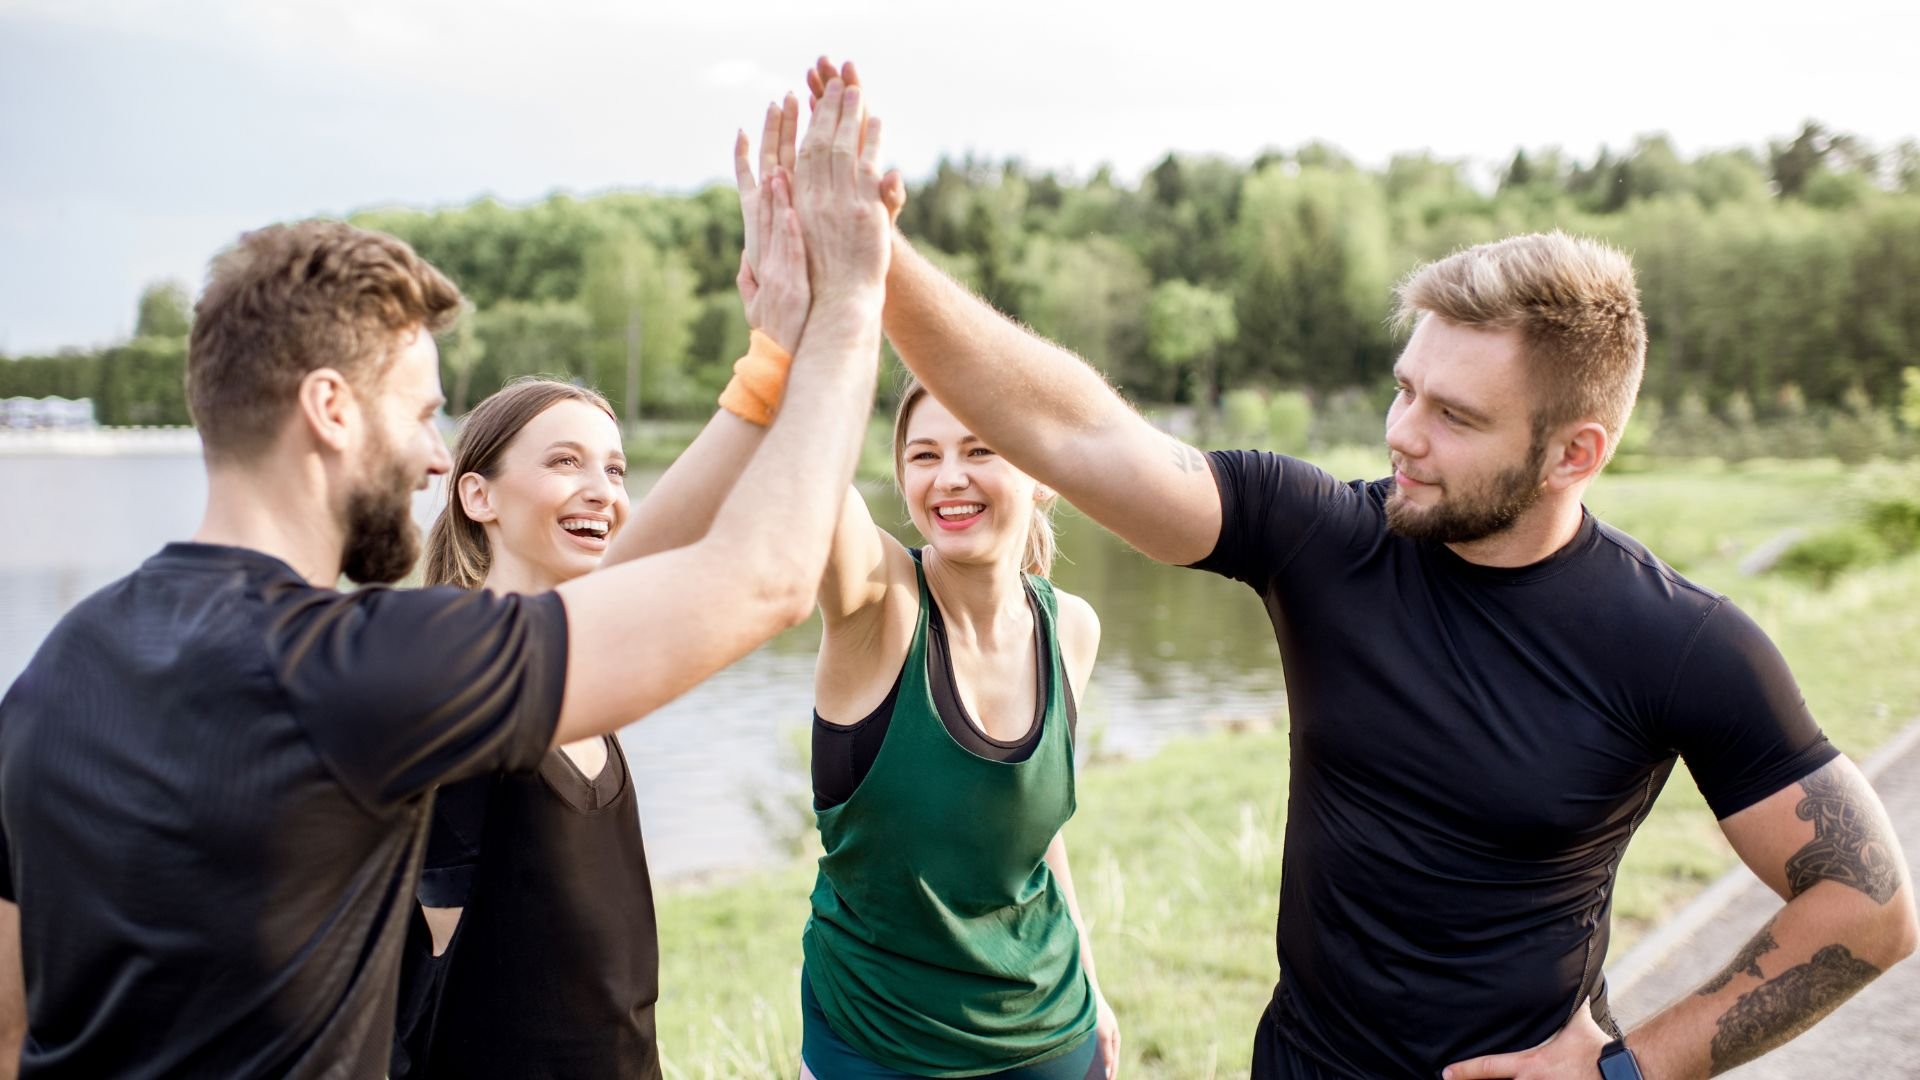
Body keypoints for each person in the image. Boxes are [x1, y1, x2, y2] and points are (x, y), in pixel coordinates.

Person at [807, 56, 1916, 1080]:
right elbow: (1084, 434)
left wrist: (1628, 1067)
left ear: (1574, 452)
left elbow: (1867, 909)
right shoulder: (1322, 536)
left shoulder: (1681, 644)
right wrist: (876, 261)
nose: (1402, 434)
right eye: (1405, 387)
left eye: (1455, 415)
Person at [0, 77, 890, 1078]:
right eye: (420, 414)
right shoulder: (354, 670)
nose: (434, 457)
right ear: (331, 409)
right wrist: (849, 311)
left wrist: (769, 359)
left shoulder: (54, 674)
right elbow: (762, 583)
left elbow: (10, 1017)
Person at [796, 377, 1116, 1080]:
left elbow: (1029, 828)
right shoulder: (876, 605)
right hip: (877, 1042)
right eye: (923, 456)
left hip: (1054, 1034)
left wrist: (1091, 982)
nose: (949, 479)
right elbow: (808, 484)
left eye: (980, 451)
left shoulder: (1072, 630)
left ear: (1041, 474)